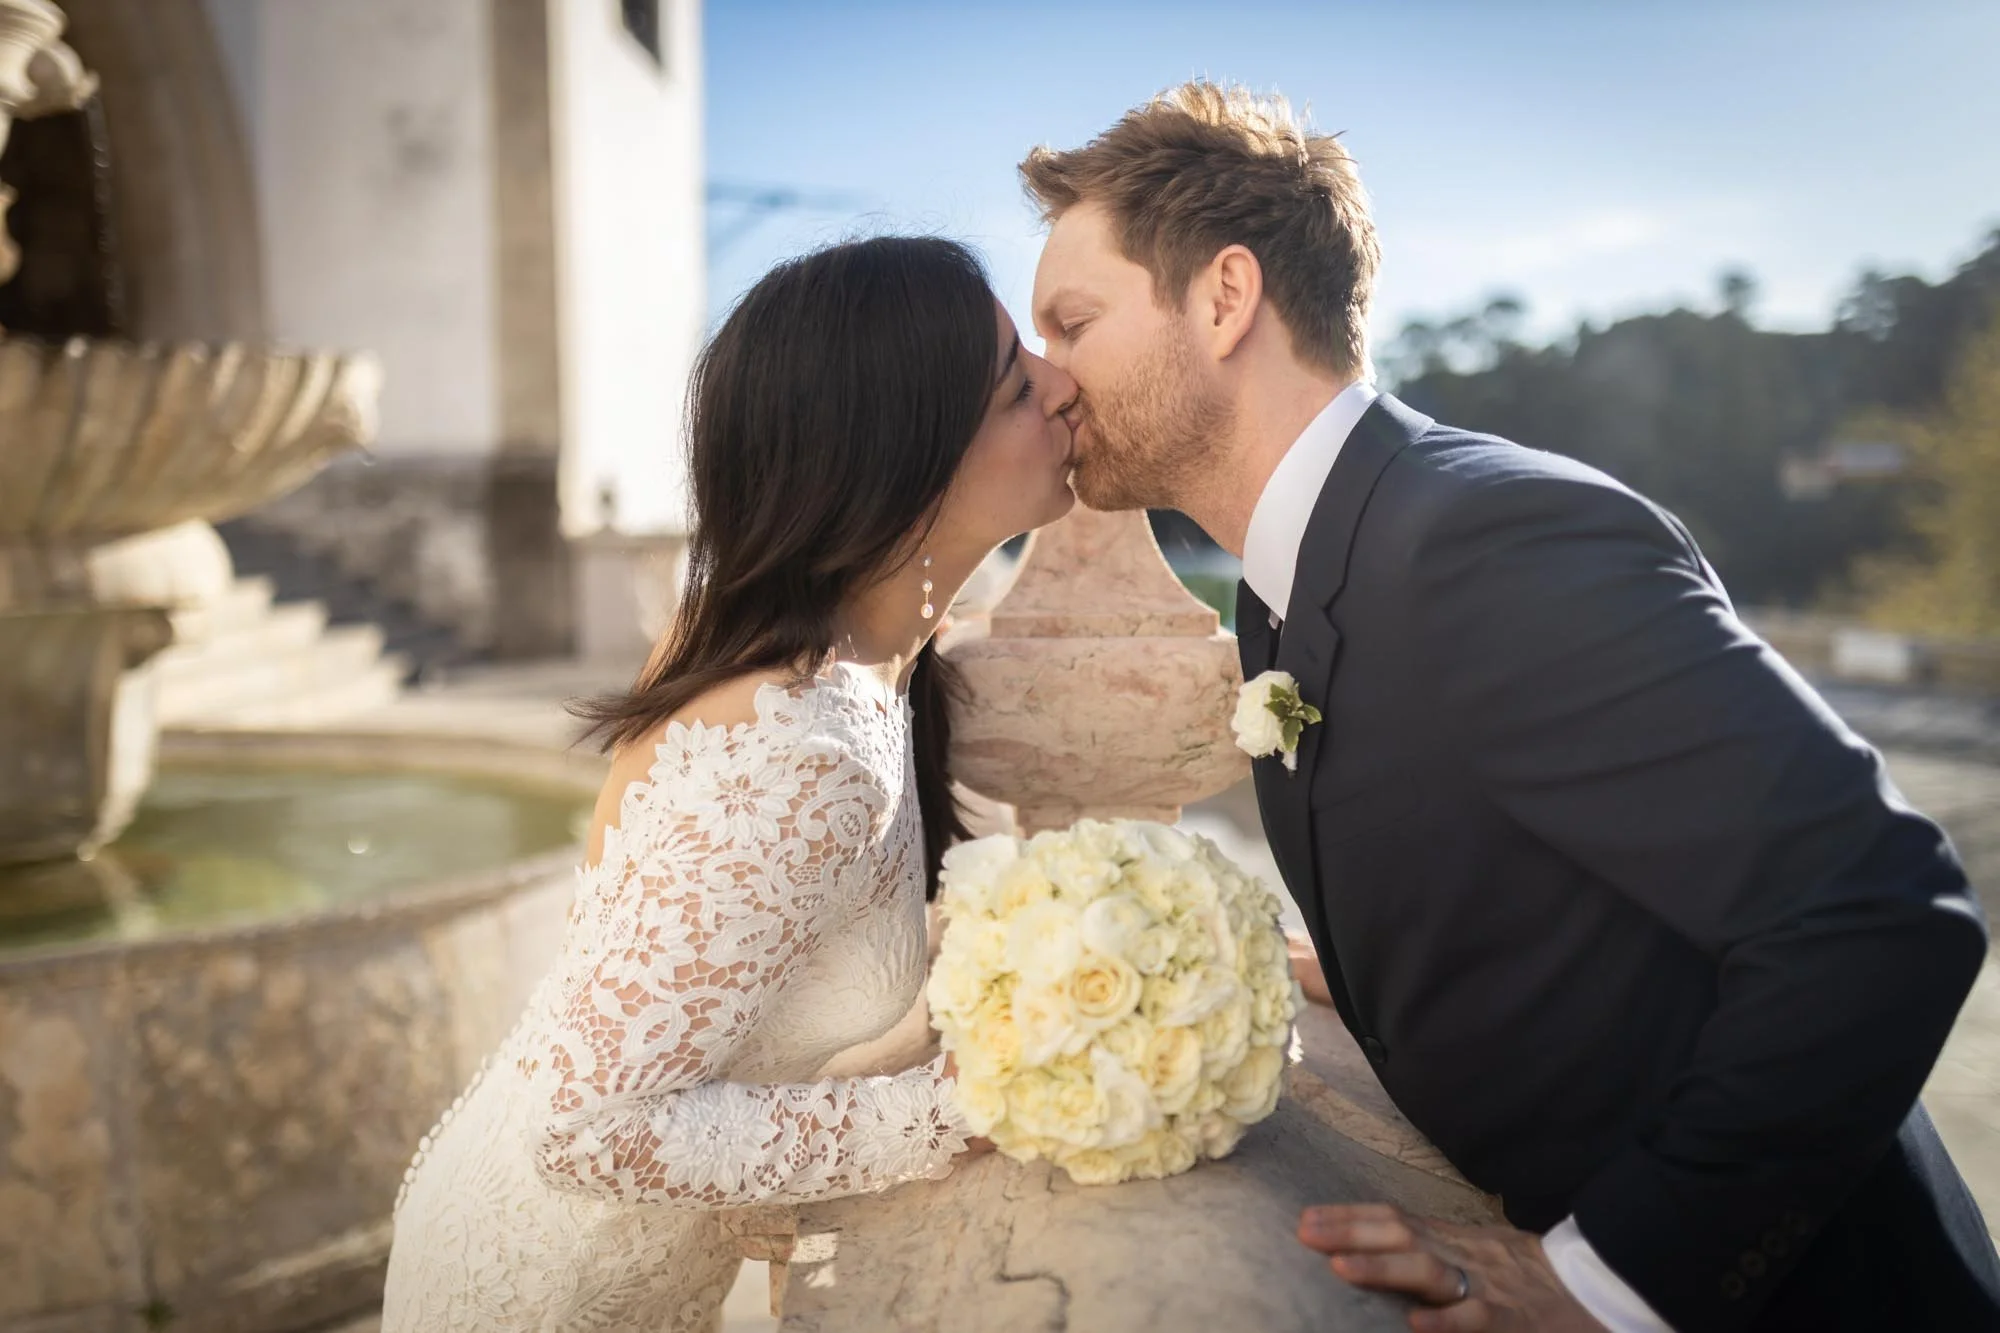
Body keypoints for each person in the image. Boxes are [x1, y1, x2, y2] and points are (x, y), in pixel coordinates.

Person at [1023, 80, 2000, 1332]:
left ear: (1223, 298)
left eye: (1071, 321)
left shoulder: (1486, 538)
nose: (1049, 380)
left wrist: (1610, 1279)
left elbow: (1877, 912)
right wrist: (1364, 975)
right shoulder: (1284, 582)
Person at [381, 236, 1076, 1332]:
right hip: (547, 1293)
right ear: (895, 462)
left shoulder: (871, 683)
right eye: (1012, 383)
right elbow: (590, 1127)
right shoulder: (796, 754)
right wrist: (956, 1111)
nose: (1061, 381)